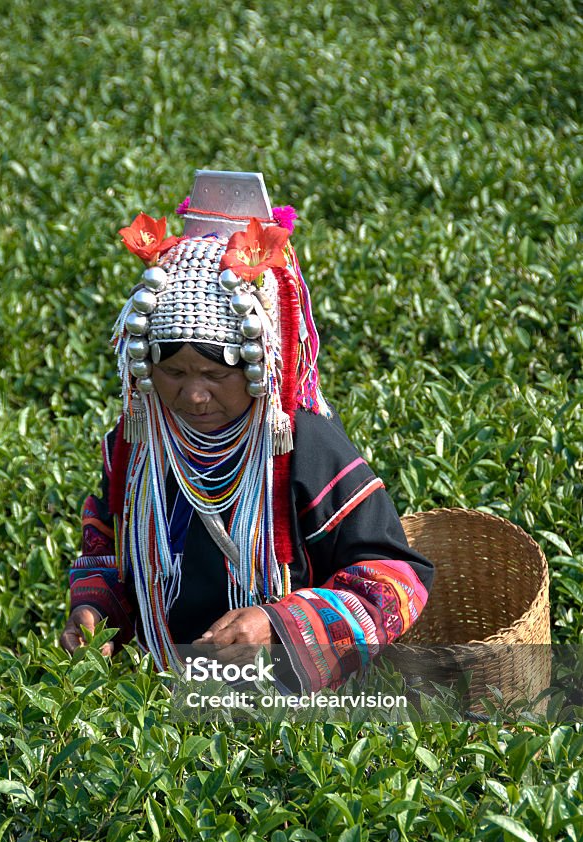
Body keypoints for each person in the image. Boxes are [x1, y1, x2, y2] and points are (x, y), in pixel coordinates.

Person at [60, 171, 434, 693]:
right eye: (173, 372)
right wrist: (95, 606)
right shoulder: (137, 444)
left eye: (215, 375)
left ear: (261, 365)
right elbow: (106, 544)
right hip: (162, 695)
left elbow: (399, 580)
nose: (193, 396)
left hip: (290, 708)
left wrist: (280, 625)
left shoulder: (305, 449)